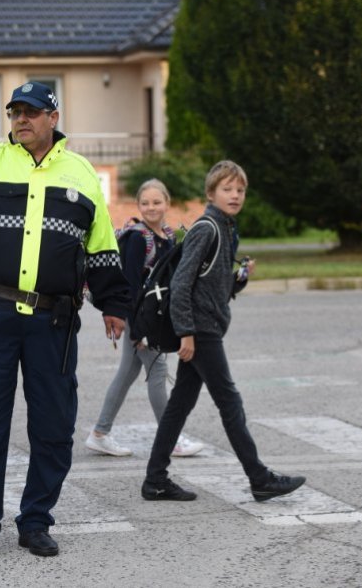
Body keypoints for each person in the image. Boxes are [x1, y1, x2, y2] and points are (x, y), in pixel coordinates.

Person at [0, 50, 132, 563]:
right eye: (15, 112)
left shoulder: (81, 176)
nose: (21, 120)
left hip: (53, 320)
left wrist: (114, 304)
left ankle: (36, 521)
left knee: (53, 428)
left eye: (31, 112)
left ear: (53, 119)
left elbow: (100, 248)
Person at [141, 161, 306, 503]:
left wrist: (238, 280)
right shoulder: (207, 228)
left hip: (207, 325)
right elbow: (183, 282)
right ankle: (259, 478)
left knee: (179, 405)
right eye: (227, 189)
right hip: (201, 331)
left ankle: (155, 479)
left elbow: (211, 285)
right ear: (211, 193)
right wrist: (186, 332)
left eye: (240, 190)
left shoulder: (226, 228)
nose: (235, 195)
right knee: (229, 401)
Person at [85, 179, 204, 459]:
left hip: (152, 317)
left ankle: (99, 433)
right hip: (139, 318)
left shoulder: (168, 235)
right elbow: (129, 284)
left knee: (127, 374)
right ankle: (170, 438)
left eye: (157, 202)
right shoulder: (138, 238)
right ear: (138, 205)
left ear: (167, 203)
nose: (151, 207)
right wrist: (137, 328)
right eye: (145, 203)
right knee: (158, 372)